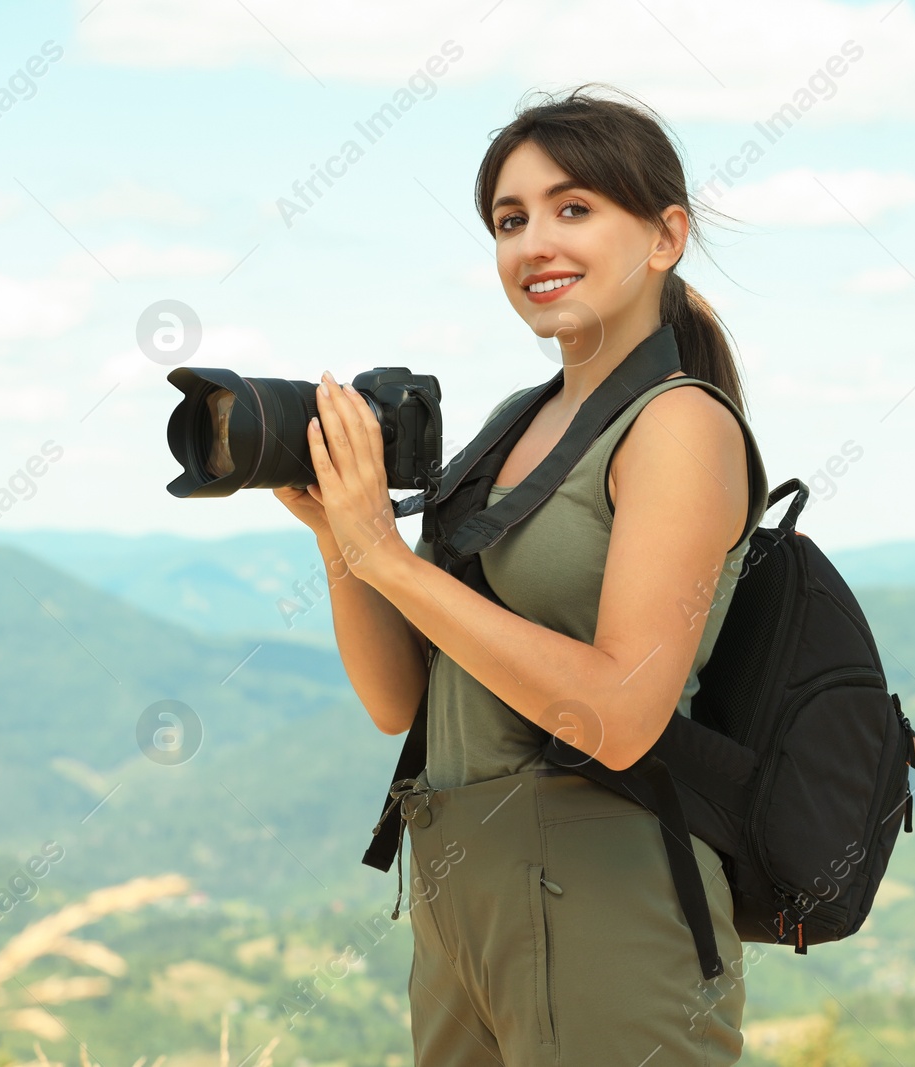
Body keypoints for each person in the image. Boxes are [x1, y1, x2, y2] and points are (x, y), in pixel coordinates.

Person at [273, 83, 769, 1066]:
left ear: (665, 235)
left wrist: (389, 555)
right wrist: (341, 538)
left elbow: (622, 715)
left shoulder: (679, 426)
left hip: (606, 894)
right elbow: (400, 699)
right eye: (510, 219)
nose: (534, 241)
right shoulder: (510, 421)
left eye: (573, 208)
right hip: (461, 886)